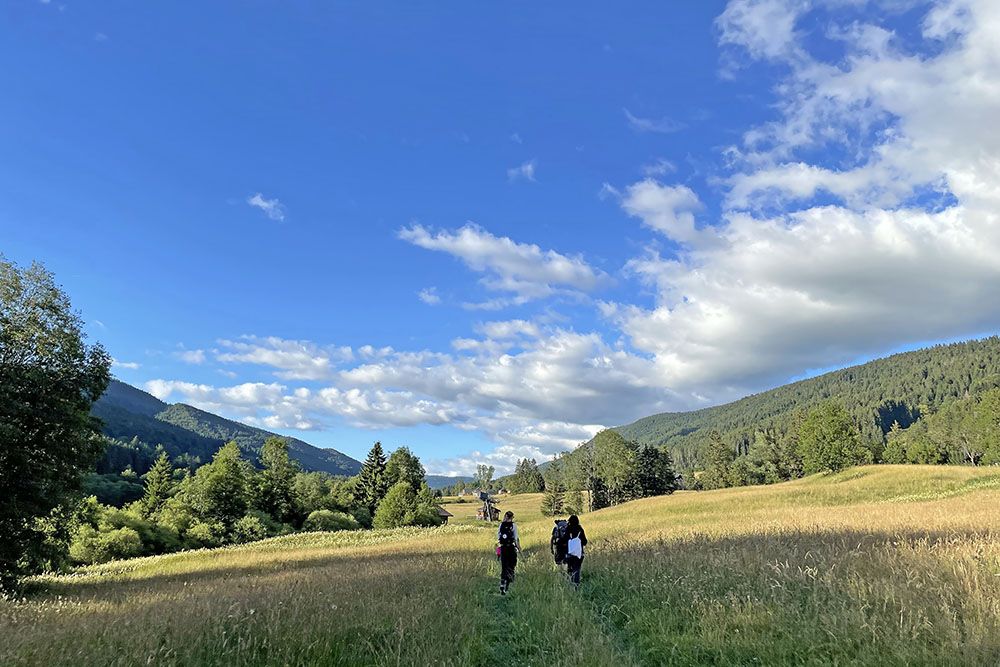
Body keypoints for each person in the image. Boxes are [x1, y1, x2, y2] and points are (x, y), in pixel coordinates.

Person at [497, 510, 521, 595]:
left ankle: (502, 584)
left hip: (503, 548)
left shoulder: (501, 525)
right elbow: (516, 538)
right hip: (511, 547)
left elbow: (498, 537)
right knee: (511, 566)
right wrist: (519, 548)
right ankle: (507, 585)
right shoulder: (513, 526)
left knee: (504, 566)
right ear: (512, 517)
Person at [564, 514, 588, 588]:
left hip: (569, 554)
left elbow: (564, 540)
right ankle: (576, 585)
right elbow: (585, 542)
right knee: (577, 569)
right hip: (579, 554)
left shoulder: (568, 529)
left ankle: (570, 584)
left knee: (569, 568)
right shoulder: (580, 529)